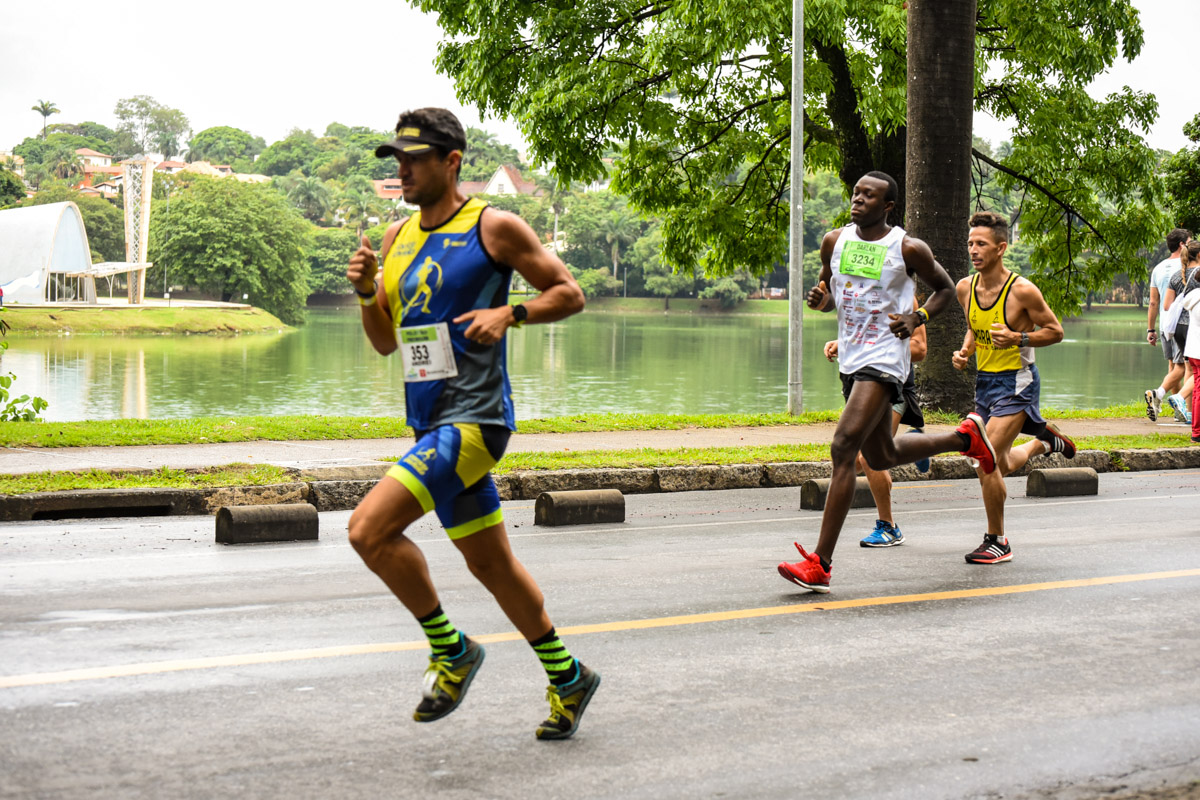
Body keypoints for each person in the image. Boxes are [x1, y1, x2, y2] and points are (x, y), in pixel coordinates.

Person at [345, 108, 598, 740]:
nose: (401, 170)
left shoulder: (494, 226)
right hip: (429, 424)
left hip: (477, 422)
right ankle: (570, 678)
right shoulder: (398, 239)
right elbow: (385, 343)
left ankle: (452, 649)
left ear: (452, 161)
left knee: (368, 531)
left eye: (414, 158)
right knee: (491, 566)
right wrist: (365, 292)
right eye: (395, 160)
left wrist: (511, 315)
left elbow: (568, 292)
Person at [777, 171, 998, 593]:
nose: (858, 200)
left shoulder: (906, 247)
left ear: (888, 206)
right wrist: (822, 302)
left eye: (869, 195)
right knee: (880, 455)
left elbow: (945, 289)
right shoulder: (834, 241)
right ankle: (965, 438)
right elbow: (830, 295)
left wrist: (918, 317)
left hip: (884, 360)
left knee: (843, 447)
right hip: (852, 357)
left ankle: (820, 563)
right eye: (857, 193)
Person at [951, 211, 1075, 564]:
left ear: (1001, 248)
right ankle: (1041, 442)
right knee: (999, 463)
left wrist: (1020, 336)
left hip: (1018, 383)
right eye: (970, 243)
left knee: (983, 459)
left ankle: (997, 541)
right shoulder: (966, 288)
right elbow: (976, 329)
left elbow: (1055, 331)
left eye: (982, 244)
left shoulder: (1021, 290)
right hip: (985, 384)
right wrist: (964, 352)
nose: (974, 250)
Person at [821, 297, 929, 548]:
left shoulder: (903, 295)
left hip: (893, 387)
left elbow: (919, 349)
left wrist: (875, 350)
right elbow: (864, 338)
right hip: (863, 386)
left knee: (867, 459)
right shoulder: (862, 291)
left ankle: (888, 527)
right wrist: (844, 344)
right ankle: (916, 445)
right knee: (862, 459)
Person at [1145, 229, 1192, 421]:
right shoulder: (1186, 266)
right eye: (1189, 242)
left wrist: (1151, 329)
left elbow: (1153, 302)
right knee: (1186, 368)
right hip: (1182, 322)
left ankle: (1178, 413)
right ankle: (1160, 394)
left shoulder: (1158, 268)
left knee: (1173, 366)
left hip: (1165, 324)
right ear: (1182, 245)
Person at [1163, 241, 1199, 425]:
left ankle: (1185, 411)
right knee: (1196, 370)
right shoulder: (1199, 274)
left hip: (1178, 328)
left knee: (1188, 368)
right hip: (1194, 326)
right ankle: (1186, 406)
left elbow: (1166, 305)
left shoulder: (1177, 275)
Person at [1177, 241, 1200, 443]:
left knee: (1196, 385)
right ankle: (1197, 431)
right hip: (1197, 345)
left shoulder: (1191, 294)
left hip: (1191, 344)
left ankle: (1195, 429)